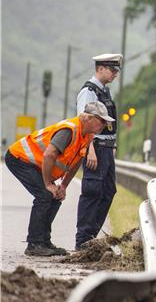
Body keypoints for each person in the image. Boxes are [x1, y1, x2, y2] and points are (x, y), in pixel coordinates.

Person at [5, 102, 113, 256]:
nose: (104, 124)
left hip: (35, 164)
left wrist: (63, 186)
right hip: (19, 158)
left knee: (55, 197)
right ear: (88, 118)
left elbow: (76, 163)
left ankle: (44, 241)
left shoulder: (87, 136)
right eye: (101, 120)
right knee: (44, 194)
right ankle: (34, 244)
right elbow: (49, 154)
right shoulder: (70, 130)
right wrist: (49, 184)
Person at [75, 53, 122, 249]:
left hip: (107, 148)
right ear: (100, 68)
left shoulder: (104, 92)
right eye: (112, 70)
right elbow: (83, 122)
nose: (114, 75)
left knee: (108, 191)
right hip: (96, 147)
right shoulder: (89, 91)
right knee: (92, 191)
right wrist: (89, 149)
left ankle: (91, 236)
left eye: (116, 71)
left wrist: (112, 147)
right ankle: (83, 239)